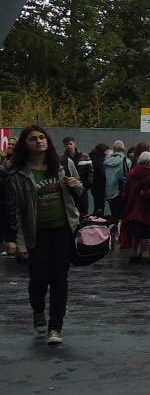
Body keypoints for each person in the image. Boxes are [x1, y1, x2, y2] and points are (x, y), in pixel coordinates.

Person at [7, 125, 85, 344]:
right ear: (25, 145)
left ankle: (55, 328)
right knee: (38, 279)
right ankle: (38, 309)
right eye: (33, 139)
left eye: (42, 137)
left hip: (63, 229)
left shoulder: (63, 164)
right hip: (36, 233)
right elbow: (16, 211)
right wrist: (19, 243)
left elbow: (80, 190)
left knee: (60, 278)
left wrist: (75, 184)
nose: (39, 141)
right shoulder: (18, 174)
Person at [121, 151, 150, 263]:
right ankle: (145, 255)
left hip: (133, 206)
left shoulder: (132, 172)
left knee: (135, 232)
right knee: (145, 233)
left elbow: (127, 189)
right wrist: (146, 194)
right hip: (147, 207)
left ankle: (133, 254)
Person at [62, 137, 93, 217]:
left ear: (74, 144)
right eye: (66, 144)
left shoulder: (84, 156)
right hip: (70, 190)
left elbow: (90, 171)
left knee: (84, 212)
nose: (69, 146)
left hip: (83, 188)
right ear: (64, 146)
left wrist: (87, 185)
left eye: (70, 144)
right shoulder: (63, 159)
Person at [104, 140, 130, 220]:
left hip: (110, 193)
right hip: (122, 192)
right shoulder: (127, 161)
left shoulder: (106, 162)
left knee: (114, 215)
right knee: (123, 216)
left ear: (113, 149)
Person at [89, 143, 110, 215]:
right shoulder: (99, 160)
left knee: (97, 205)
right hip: (100, 185)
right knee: (100, 206)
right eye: (107, 151)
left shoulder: (93, 158)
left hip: (94, 185)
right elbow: (102, 173)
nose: (108, 153)